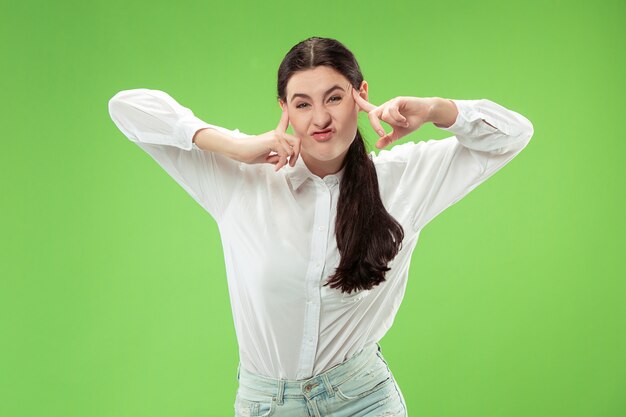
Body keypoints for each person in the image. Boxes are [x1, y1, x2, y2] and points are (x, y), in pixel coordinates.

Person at [108, 36, 534, 417]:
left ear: (360, 95)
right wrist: (234, 146)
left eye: (334, 98)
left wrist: (437, 110)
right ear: (285, 110)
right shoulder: (243, 178)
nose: (320, 119)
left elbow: (514, 135)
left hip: (364, 400)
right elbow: (125, 108)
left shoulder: (404, 177)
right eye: (302, 103)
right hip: (268, 406)